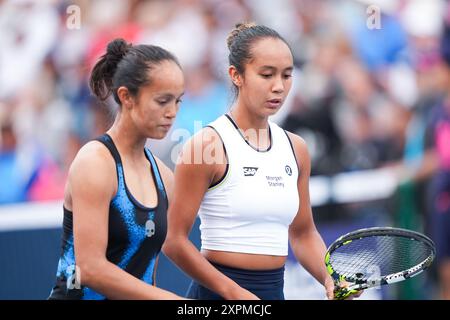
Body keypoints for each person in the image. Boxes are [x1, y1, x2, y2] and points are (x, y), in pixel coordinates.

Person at [163, 23, 359, 300]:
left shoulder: (296, 148)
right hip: (219, 296)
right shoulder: (206, 145)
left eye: (287, 75)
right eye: (266, 74)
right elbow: (173, 241)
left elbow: (303, 233)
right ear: (236, 75)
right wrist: (233, 292)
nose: (279, 86)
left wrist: (330, 278)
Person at [48, 38, 185, 299]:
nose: (172, 112)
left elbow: (146, 275)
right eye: (162, 101)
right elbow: (90, 269)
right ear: (126, 96)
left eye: (178, 101)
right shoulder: (95, 162)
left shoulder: (164, 177)